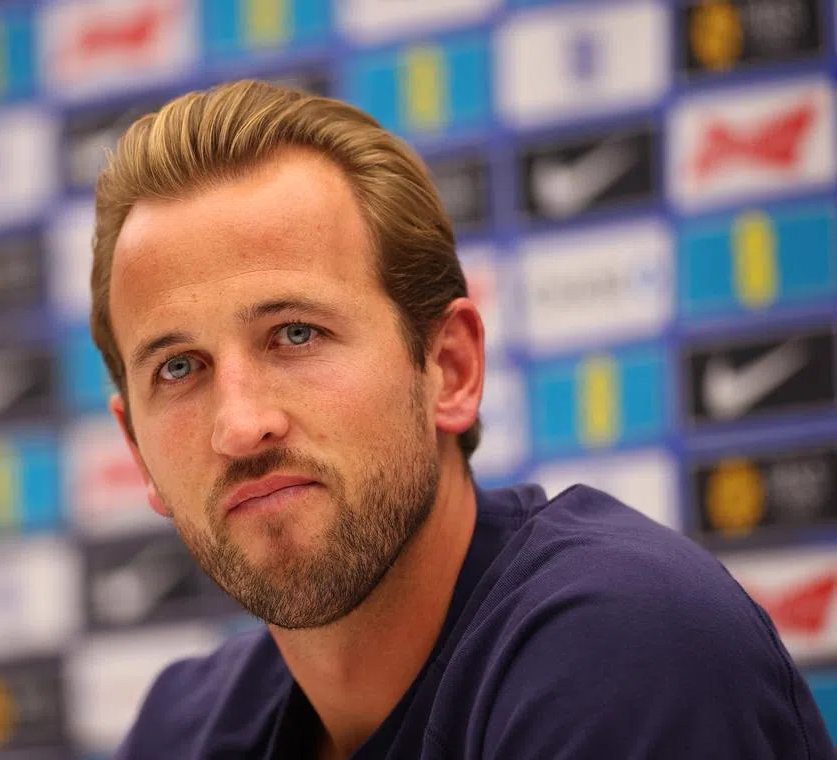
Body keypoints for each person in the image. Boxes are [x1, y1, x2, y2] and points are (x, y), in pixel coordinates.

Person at [87, 80, 835, 759]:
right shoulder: (182, 730)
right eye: (178, 368)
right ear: (138, 451)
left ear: (450, 369)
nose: (241, 425)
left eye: (296, 333)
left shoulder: (628, 645)